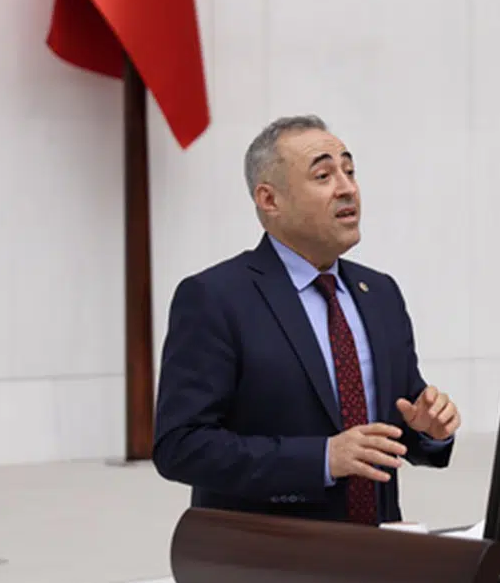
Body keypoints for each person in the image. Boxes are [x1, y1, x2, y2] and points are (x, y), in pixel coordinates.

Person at [152, 115, 461, 525]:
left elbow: (395, 425)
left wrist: (428, 431)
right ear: (269, 199)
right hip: (270, 552)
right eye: (323, 176)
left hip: (377, 549)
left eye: (350, 171)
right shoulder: (216, 298)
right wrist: (321, 460)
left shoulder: (380, 293)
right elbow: (181, 446)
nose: (347, 188)